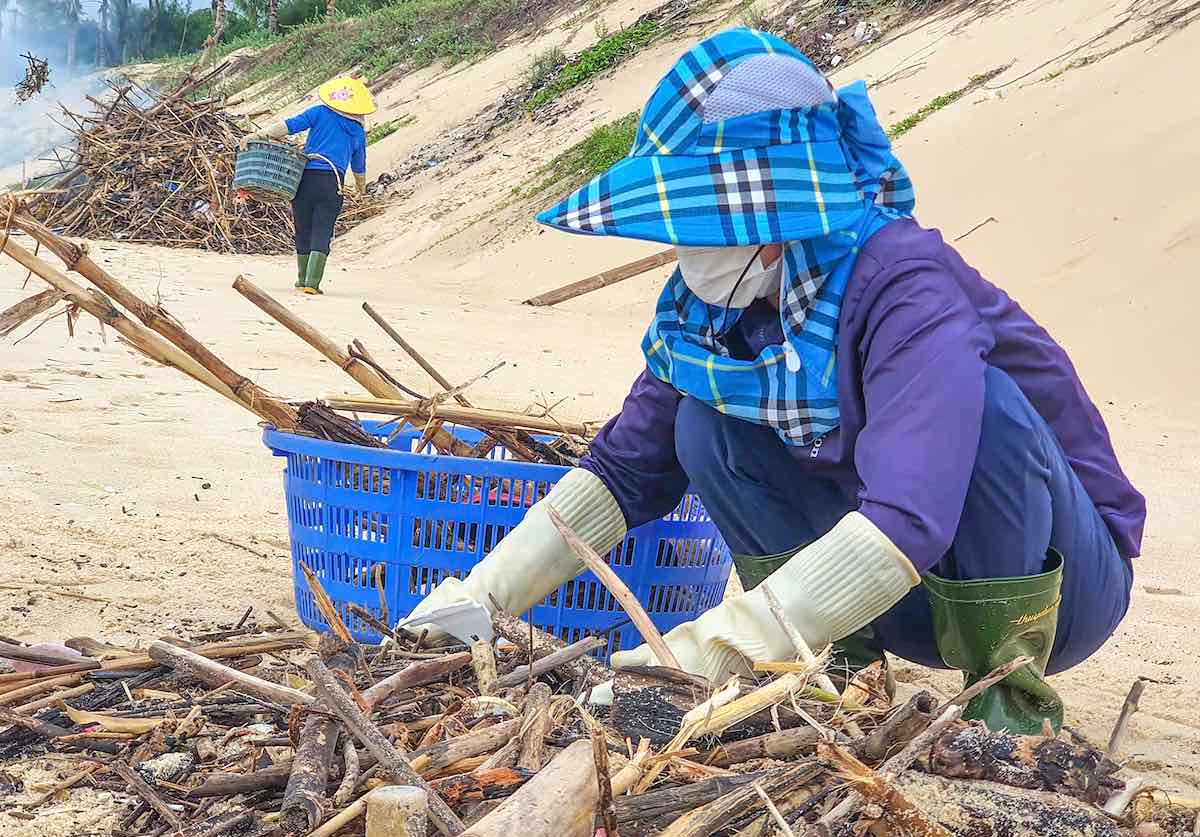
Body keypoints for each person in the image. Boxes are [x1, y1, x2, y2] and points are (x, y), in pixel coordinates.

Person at [407, 28, 1145, 735]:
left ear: (777, 218)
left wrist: (717, 645)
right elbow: (626, 467)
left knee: (986, 407)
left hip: (1058, 588)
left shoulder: (905, 288)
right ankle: (826, 667)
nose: (690, 247)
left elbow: (911, 512)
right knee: (703, 423)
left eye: (711, 221)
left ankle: (1007, 703)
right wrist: (483, 599)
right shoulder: (717, 308)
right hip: (895, 597)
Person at [243, 76, 374, 294]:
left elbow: (289, 126)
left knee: (303, 229)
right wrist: (361, 188)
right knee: (322, 230)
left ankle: (301, 280)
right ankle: (312, 285)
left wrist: (258, 134)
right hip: (333, 182)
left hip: (304, 179)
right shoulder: (357, 131)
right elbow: (359, 164)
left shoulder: (319, 112)